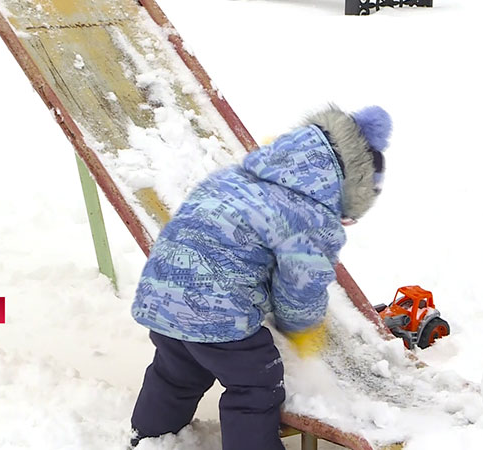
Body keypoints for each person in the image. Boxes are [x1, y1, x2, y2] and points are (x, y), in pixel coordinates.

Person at [129, 104, 392, 449]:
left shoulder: (235, 178)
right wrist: (303, 330)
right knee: (255, 382)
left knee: (175, 372)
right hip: (215, 308)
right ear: (348, 188)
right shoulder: (310, 214)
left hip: (162, 291)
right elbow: (300, 289)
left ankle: (151, 438)